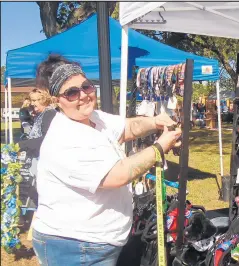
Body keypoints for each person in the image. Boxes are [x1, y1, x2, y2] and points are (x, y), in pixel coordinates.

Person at [31, 54, 181, 266]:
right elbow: (116, 175)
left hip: (95, 243)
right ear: (58, 101)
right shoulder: (65, 137)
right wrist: (159, 147)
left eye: (86, 86)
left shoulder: (93, 118)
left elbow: (128, 127)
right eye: (71, 93)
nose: (82, 95)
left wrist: (155, 121)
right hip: (74, 246)